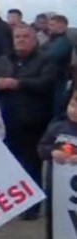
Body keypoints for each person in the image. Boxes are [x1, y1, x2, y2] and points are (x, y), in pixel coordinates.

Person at [0, 24, 56, 220]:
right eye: (17, 37)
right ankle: (14, 203)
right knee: (11, 164)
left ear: (34, 39)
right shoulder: (4, 59)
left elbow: (47, 83)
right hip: (7, 119)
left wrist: (19, 84)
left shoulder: (45, 60)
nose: (21, 40)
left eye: (25, 36)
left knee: (31, 164)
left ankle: (32, 207)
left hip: (33, 120)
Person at [37, 88, 77, 239]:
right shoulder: (57, 127)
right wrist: (52, 152)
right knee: (56, 221)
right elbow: (42, 148)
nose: (74, 111)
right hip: (57, 188)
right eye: (72, 105)